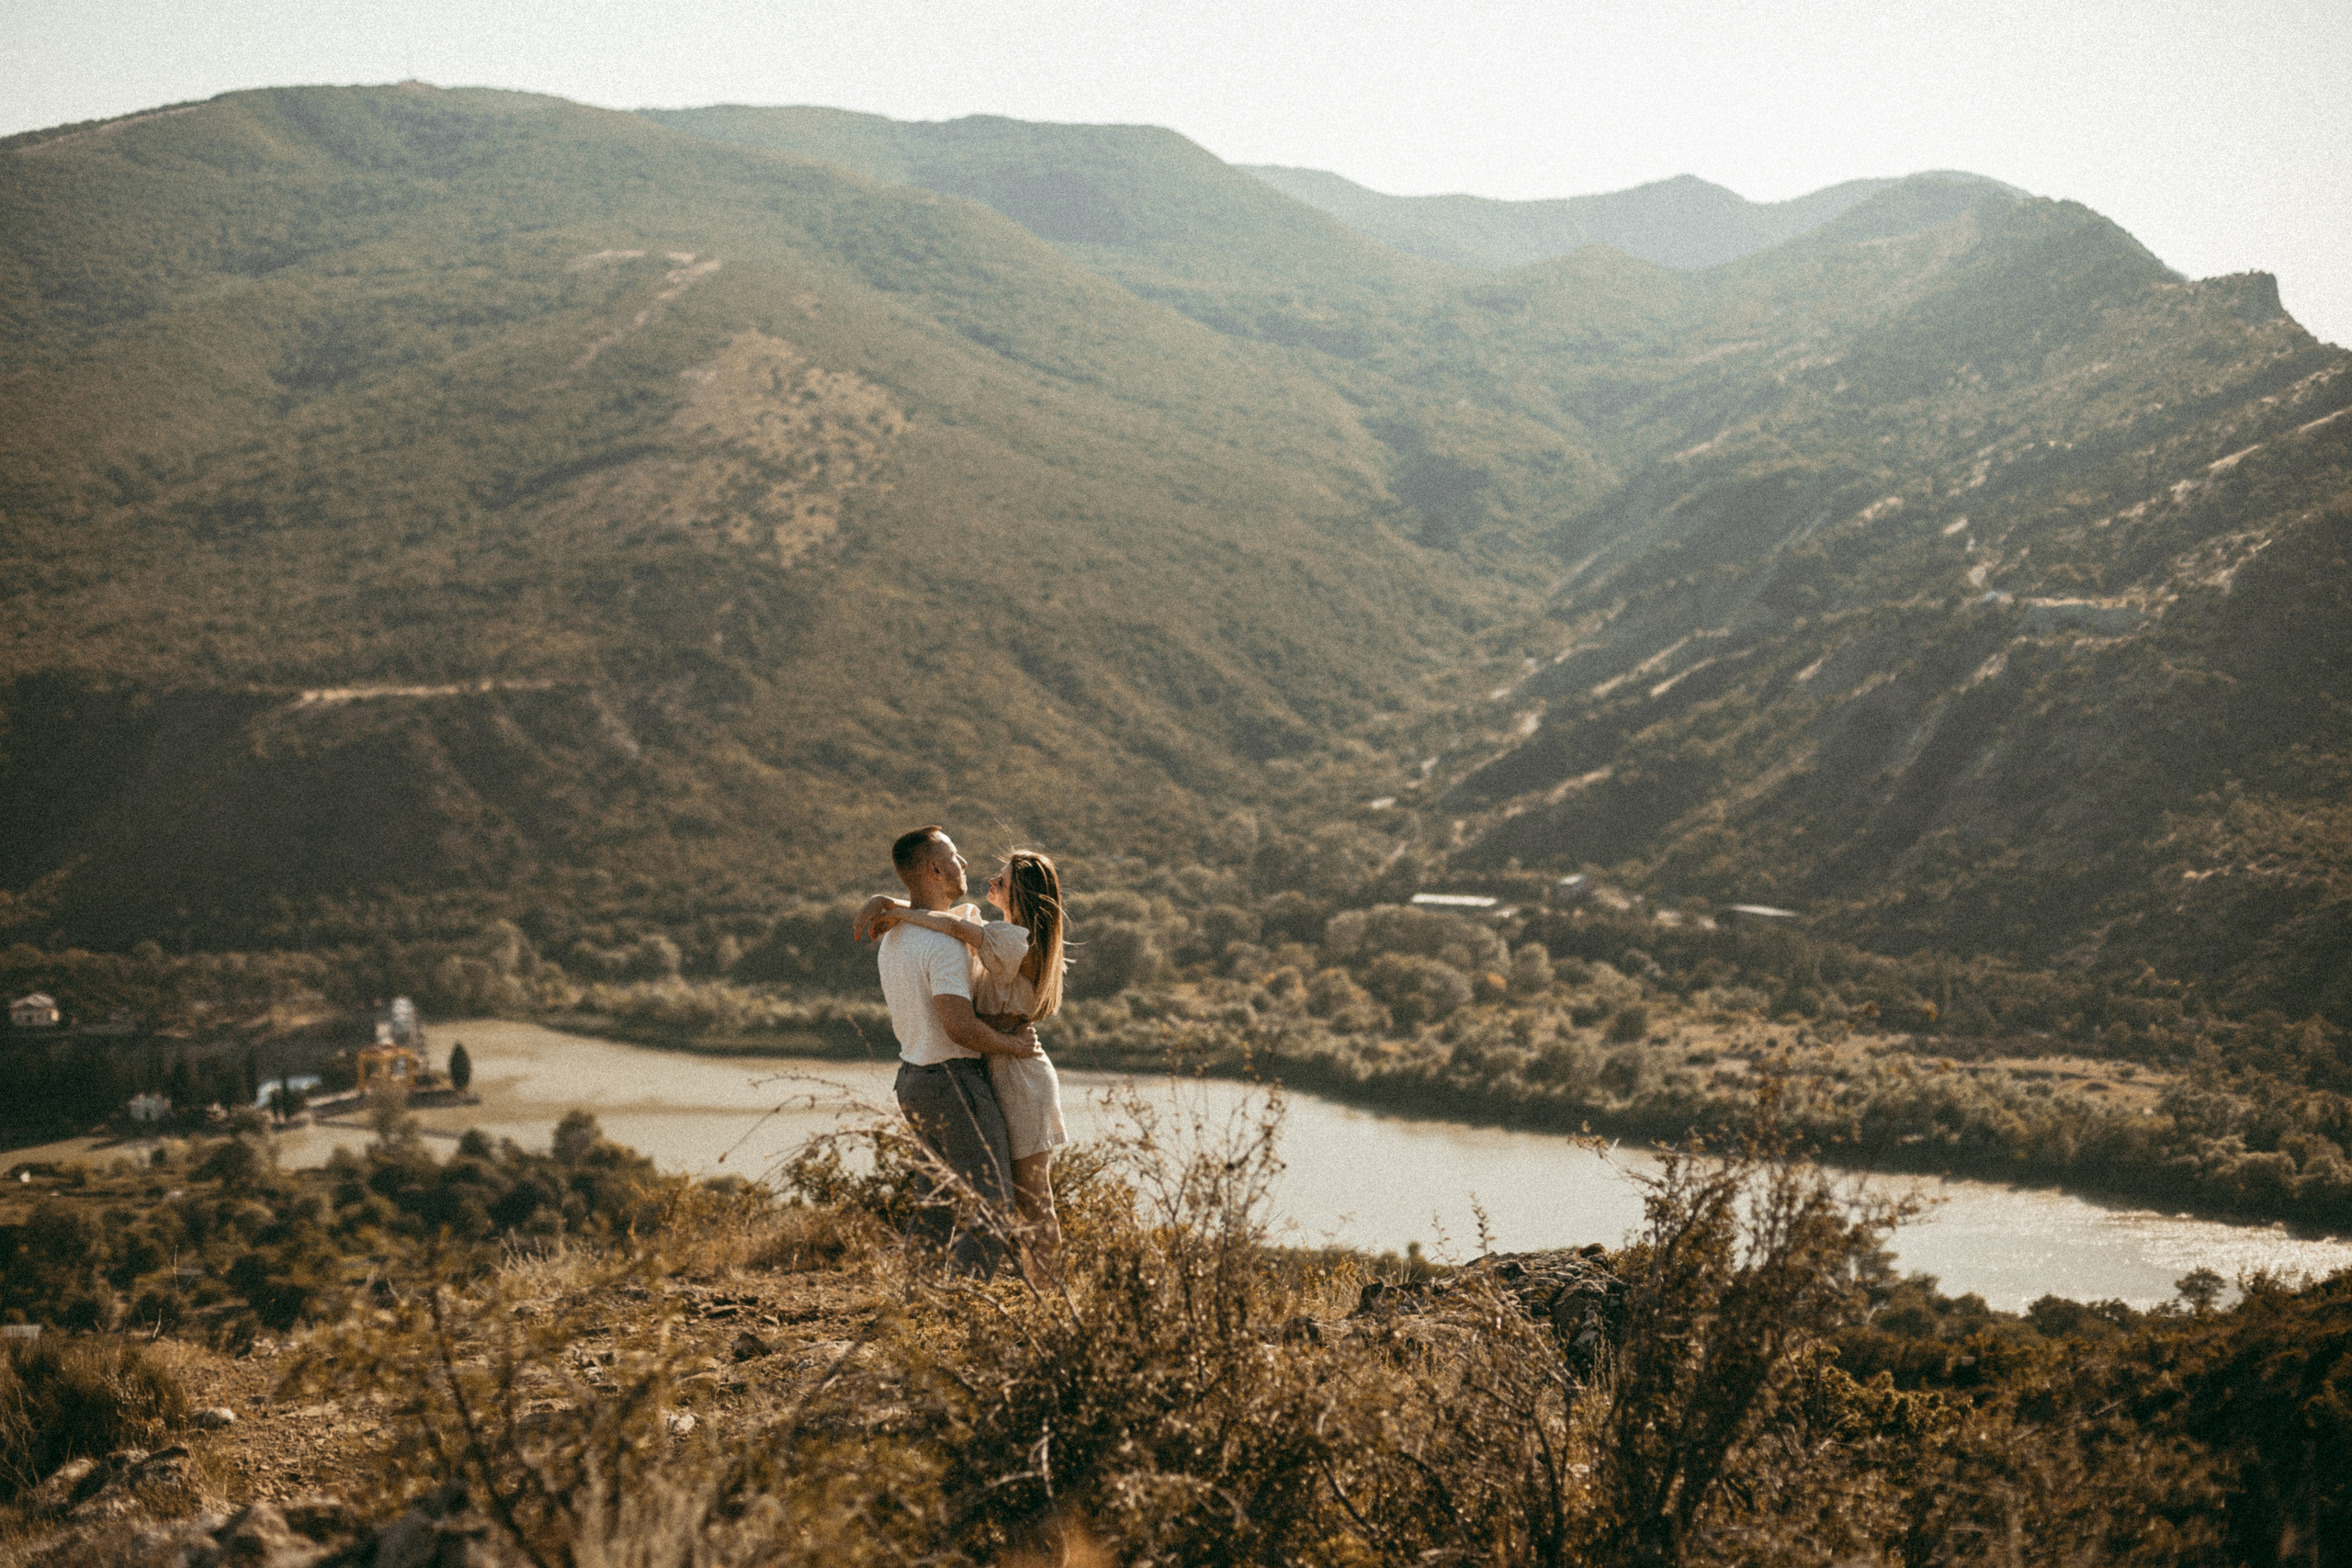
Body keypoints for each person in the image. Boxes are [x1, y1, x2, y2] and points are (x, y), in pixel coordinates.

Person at [859, 849, 1069, 1277]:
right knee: (1002, 1191)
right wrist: (890, 903)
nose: (991, 880)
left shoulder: (1016, 939)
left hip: (1020, 1071)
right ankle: (1010, 1285)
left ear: (1023, 896)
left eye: (1003, 880)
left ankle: (1049, 1294)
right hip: (997, 1063)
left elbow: (950, 925)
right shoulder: (999, 932)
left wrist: (895, 911)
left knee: (1033, 1197)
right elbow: (947, 917)